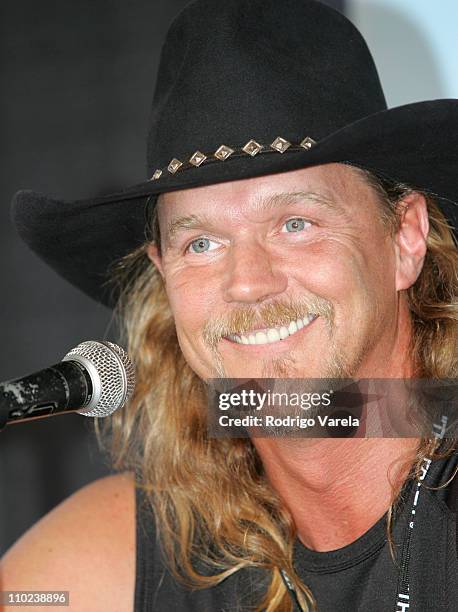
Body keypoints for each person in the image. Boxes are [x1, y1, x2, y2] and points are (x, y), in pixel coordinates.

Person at [2, 0, 457, 610]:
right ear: (164, 275)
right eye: (203, 242)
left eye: (295, 223)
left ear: (404, 239)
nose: (247, 283)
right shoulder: (122, 553)